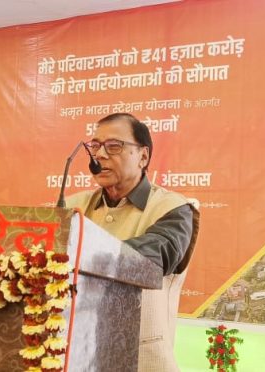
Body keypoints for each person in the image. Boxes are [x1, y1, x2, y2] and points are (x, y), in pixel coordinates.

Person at [67, 113, 199, 371]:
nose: (100, 155)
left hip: (142, 358)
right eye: (95, 147)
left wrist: (82, 254)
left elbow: (150, 259)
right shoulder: (72, 206)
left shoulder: (174, 209)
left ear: (144, 156)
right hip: (76, 352)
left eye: (114, 147)